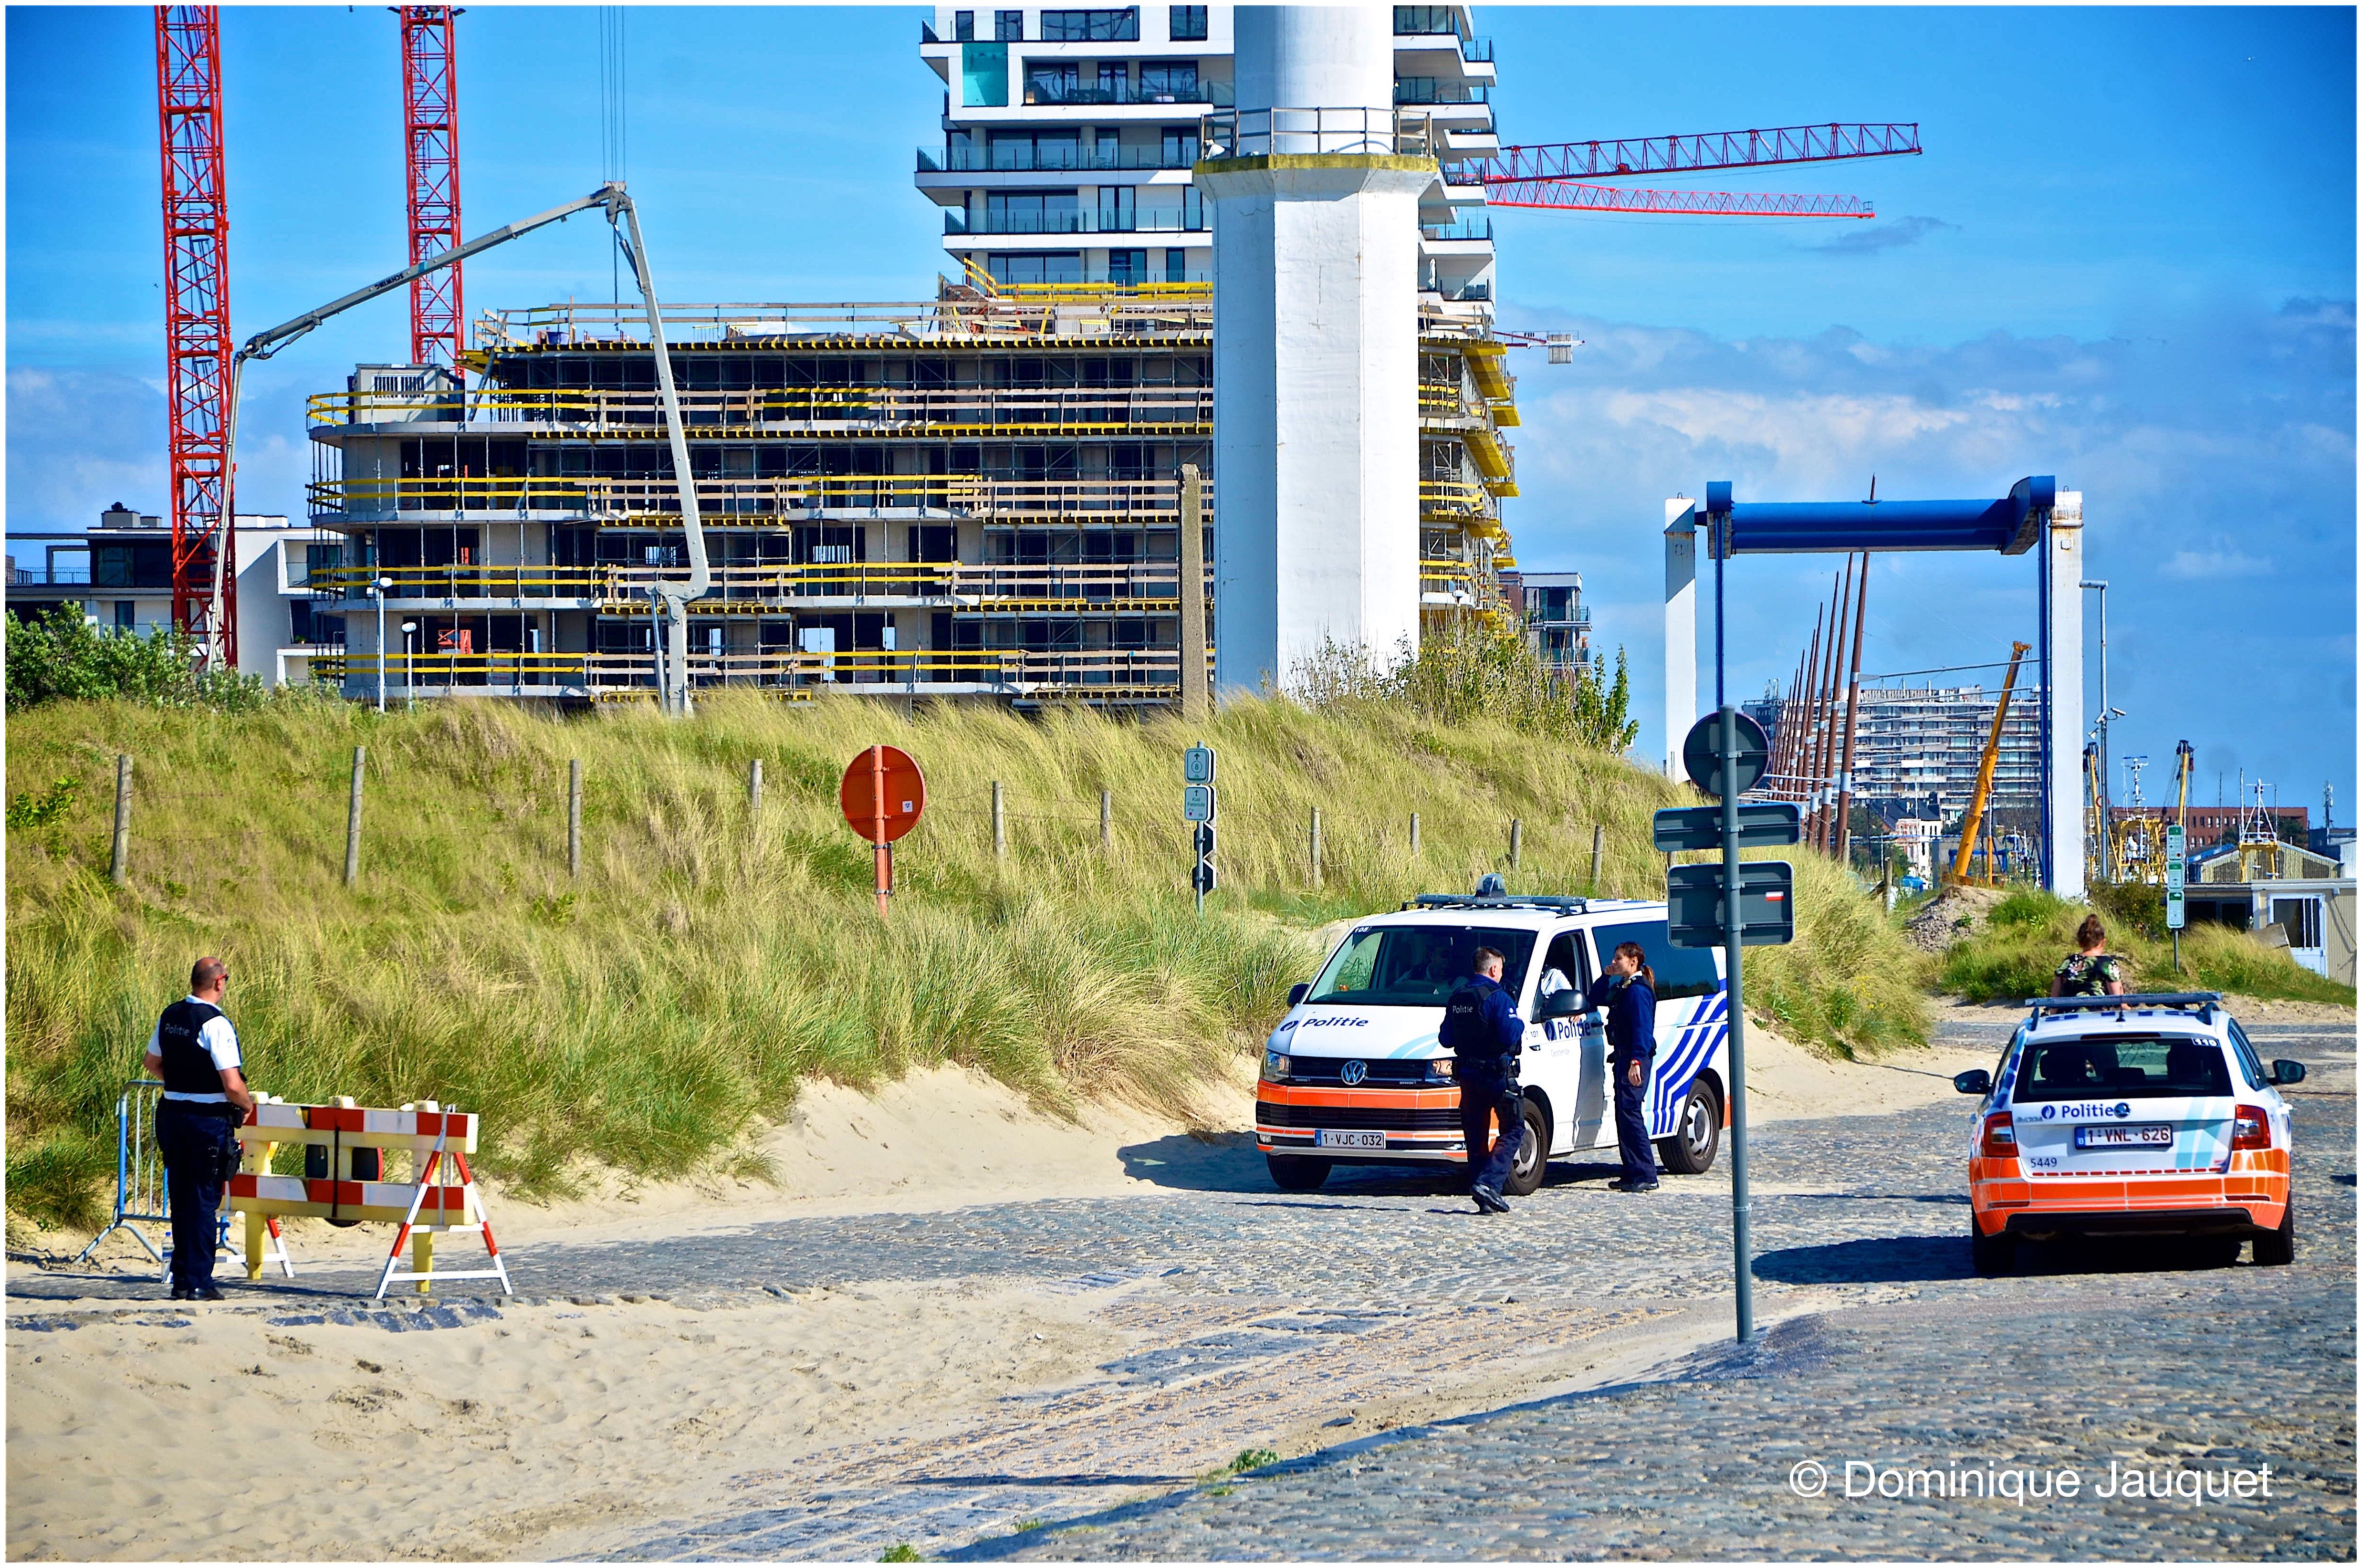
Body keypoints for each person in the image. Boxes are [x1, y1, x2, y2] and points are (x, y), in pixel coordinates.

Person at [144, 956, 254, 1301]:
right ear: (219, 982)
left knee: (181, 1199)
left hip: (171, 1113)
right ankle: (199, 1282)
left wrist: (182, 1084)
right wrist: (247, 1105)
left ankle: (181, 1280)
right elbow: (232, 1084)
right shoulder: (216, 1024)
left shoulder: (171, 1015)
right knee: (204, 1200)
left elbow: (151, 1062)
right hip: (206, 1120)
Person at [1442, 945, 1526, 1214]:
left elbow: (1446, 1039)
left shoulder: (1457, 998)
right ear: (1493, 969)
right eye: (1500, 969)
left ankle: (1483, 1197)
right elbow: (1511, 1034)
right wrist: (1520, 1022)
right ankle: (1489, 1184)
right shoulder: (1498, 997)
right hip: (1496, 1076)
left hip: (1468, 1077)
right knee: (1514, 1129)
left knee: (1476, 1136)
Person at [1584, 941, 1660, 1193]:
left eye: (1619, 959)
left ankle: (1646, 1173)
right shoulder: (1624, 987)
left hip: (1633, 1058)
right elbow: (1595, 999)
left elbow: (1642, 1030)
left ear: (1633, 962)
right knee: (1624, 1115)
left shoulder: (1638, 991)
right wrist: (1606, 976)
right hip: (1625, 1057)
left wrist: (1636, 1061)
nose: (1614, 962)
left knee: (1631, 1113)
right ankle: (1632, 1171)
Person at [2051, 915, 2128, 998]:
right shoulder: (2107, 964)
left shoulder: (2067, 963)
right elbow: (2118, 999)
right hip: (2097, 1006)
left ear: (2079, 942)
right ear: (2103, 942)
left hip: (2069, 1007)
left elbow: (2054, 1001)